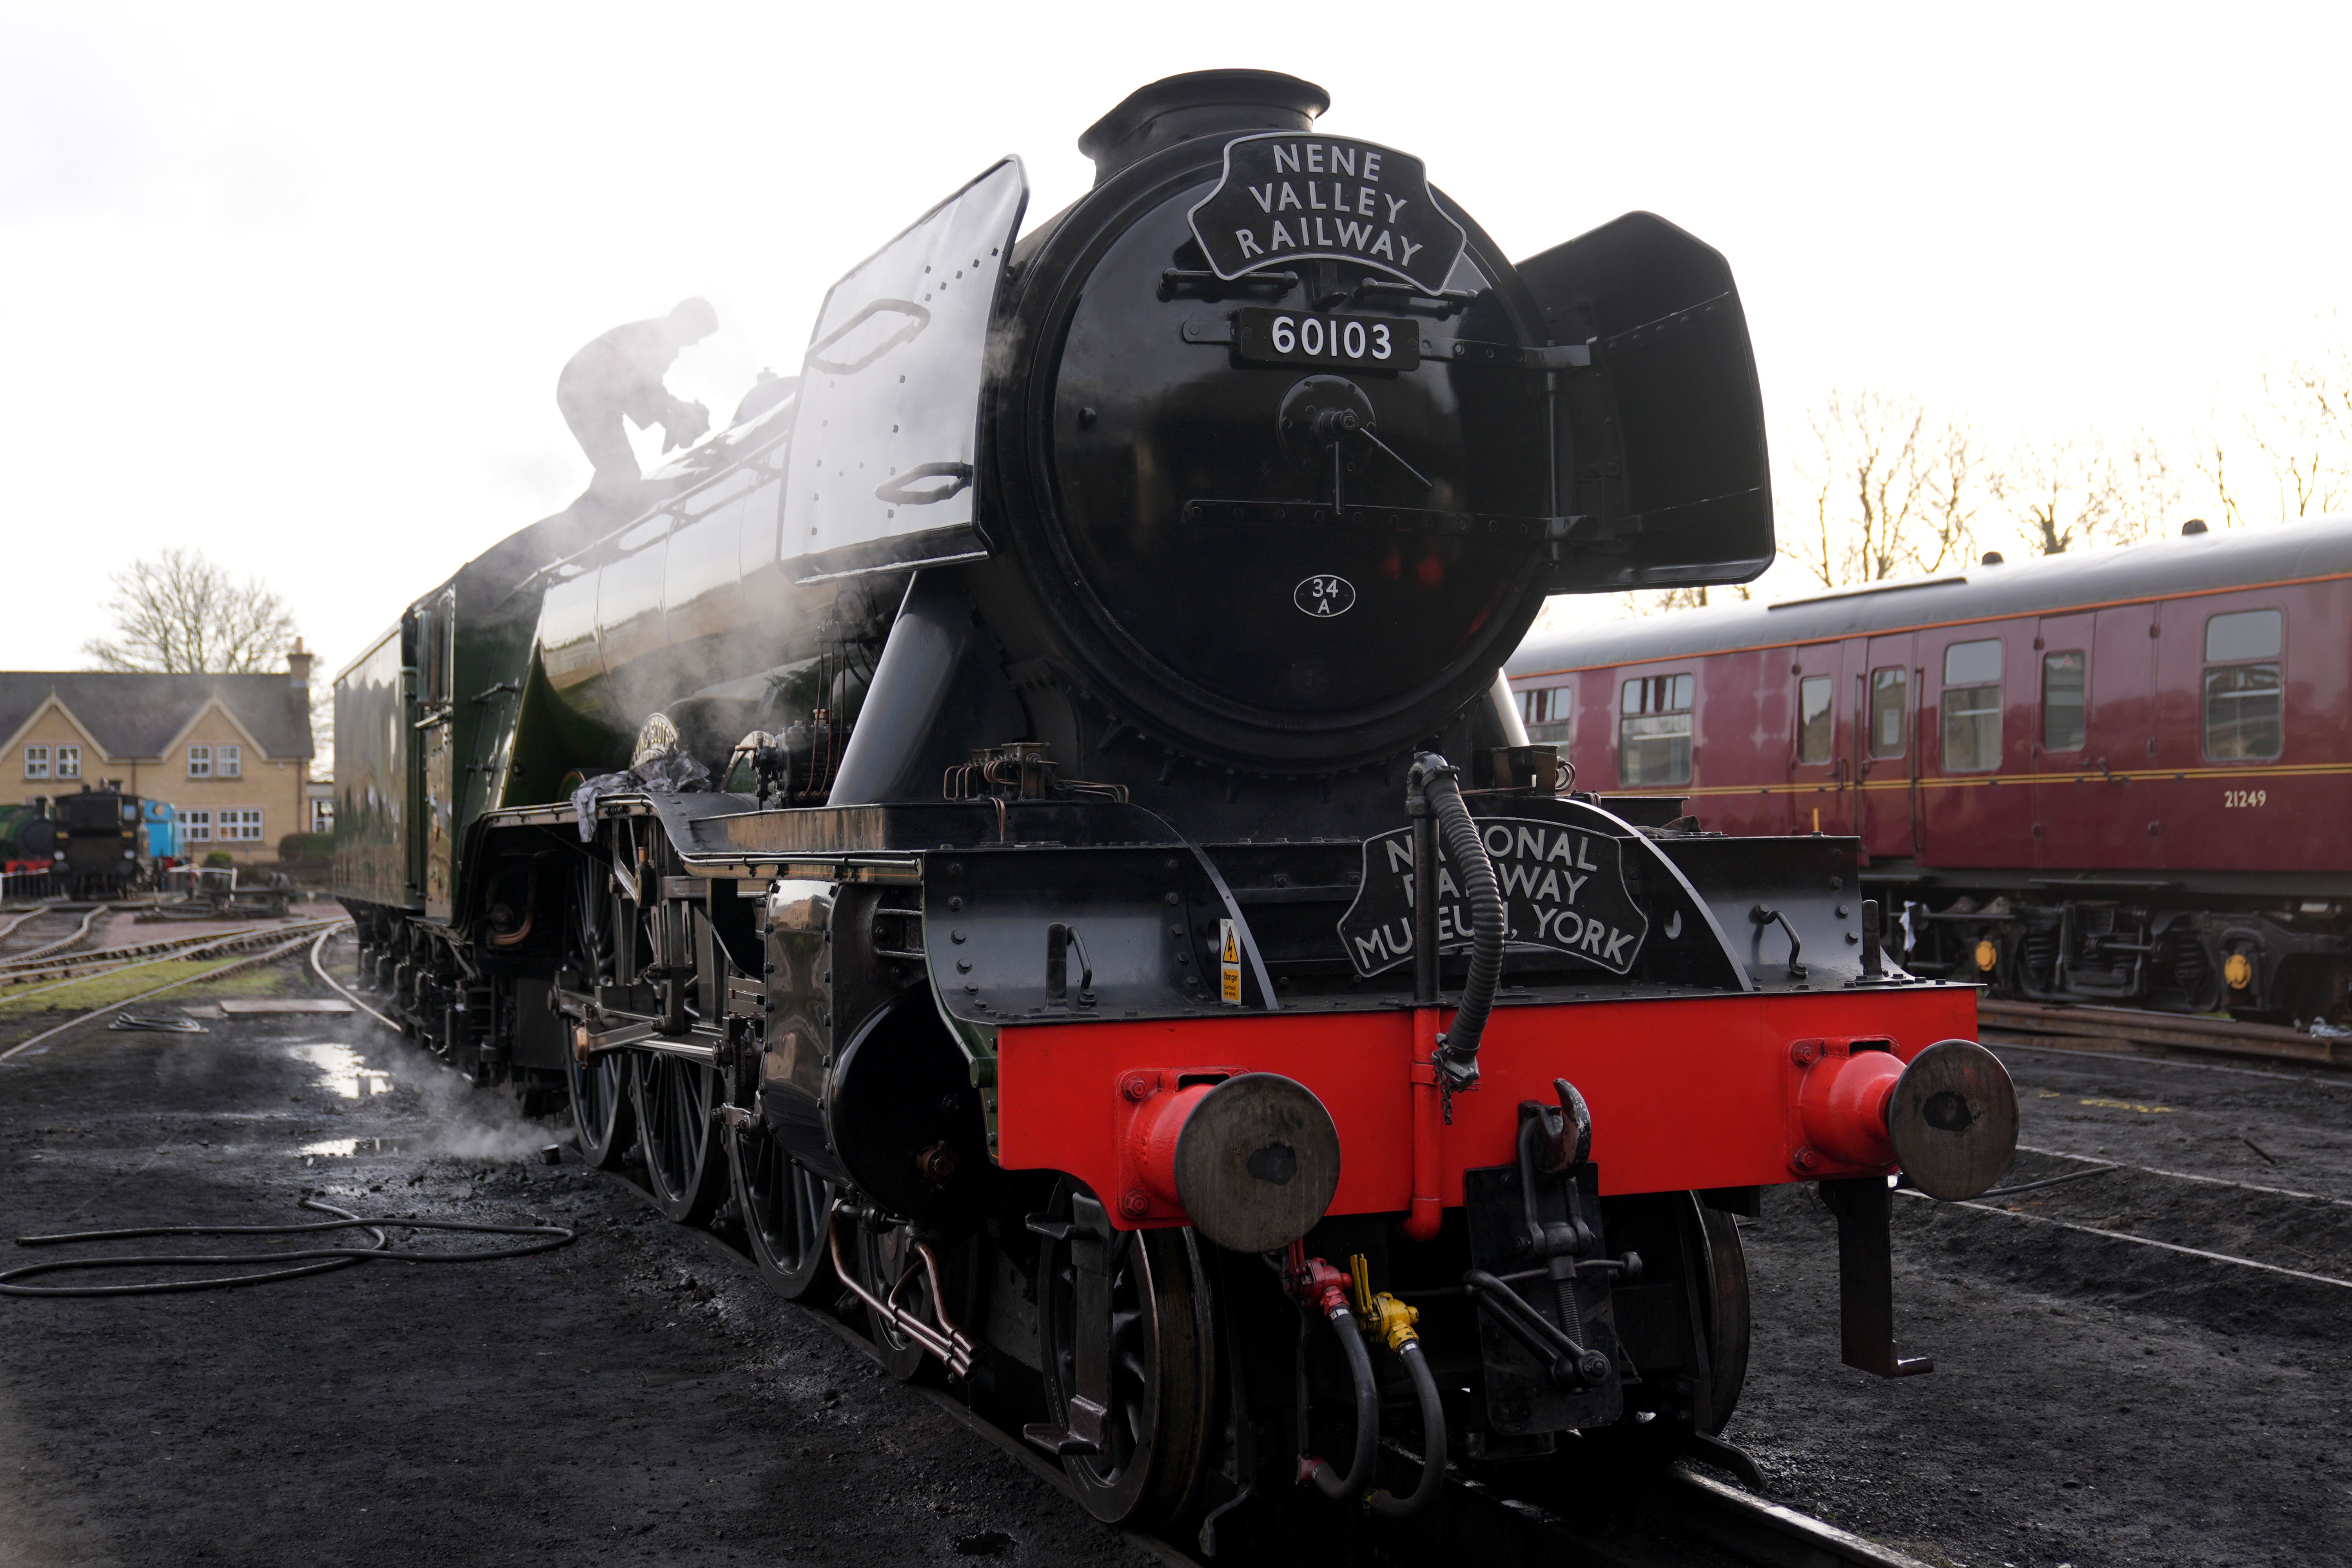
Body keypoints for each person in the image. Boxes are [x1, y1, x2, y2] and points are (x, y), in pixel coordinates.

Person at [555, 297, 720, 495]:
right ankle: (597, 513)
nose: (695, 342)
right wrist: (678, 416)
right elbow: (645, 388)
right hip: (586, 392)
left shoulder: (657, 335)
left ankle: (594, 512)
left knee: (618, 472)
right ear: (689, 320)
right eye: (699, 333)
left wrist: (674, 418)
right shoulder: (659, 338)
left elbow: (641, 390)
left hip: (592, 393)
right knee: (623, 474)